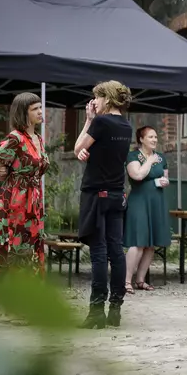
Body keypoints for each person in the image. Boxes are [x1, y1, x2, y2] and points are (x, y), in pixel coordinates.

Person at [74, 80, 134, 329]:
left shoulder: (100, 122)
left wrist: (88, 120)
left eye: (96, 98)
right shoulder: (126, 126)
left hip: (96, 192)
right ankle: (115, 310)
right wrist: (86, 152)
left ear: (106, 99)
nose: (93, 103)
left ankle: (96, 311)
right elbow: (99, 152)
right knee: (116, 251)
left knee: (99, 252)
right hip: (116, 193)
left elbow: (78, 147)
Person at [0, 92, 49, 275]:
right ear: (23, 112)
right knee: (13, 243)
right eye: (34, 109)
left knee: (31, 242)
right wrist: (14, 180)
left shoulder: (38, 138)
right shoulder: (14, 139)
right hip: (14, 201)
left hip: (34, 200)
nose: (40, 111)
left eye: (40, 107)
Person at [124, 125, 171, 293]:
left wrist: (165, 181)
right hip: (139, 201)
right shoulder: (133, 156)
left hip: (156, 201)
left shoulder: (161, 157)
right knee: (138, 241)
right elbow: (137, 175)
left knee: (150, 244)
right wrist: (150, 161)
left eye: (156, 137)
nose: (154, 140)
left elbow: (165, 177)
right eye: (151, 137)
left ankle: (140, 280)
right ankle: (126, 280)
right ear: (141, 139)